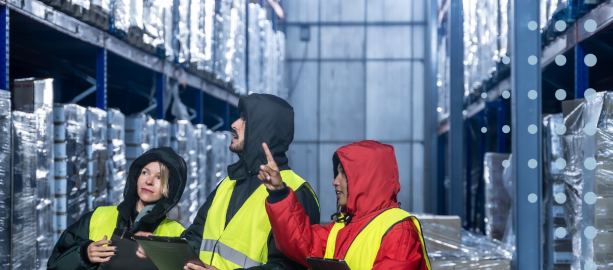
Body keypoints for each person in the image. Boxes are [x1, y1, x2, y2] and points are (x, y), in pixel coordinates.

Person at [179, 94, 321, 270]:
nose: (234, 124)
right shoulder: (229, 183)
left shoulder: (295, 192)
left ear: (263, 130)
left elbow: (286, 267)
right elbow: (197, 235)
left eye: (244, 120)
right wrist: (161, 248)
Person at [258, 140, 432, 270]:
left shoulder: (399, 230)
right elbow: (303, 243)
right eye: (337, 173)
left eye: (343, 174)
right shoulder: (343, 227)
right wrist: (279, 193)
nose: (335, 182)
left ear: (366, 180)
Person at [46, 147, 188, 270]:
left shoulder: (177, 235)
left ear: (171, 188)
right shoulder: (97, 217)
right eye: (145, 172)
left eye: (159, 178)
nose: (148, 181)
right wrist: (83, 255)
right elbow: (54, 264)